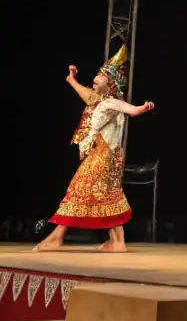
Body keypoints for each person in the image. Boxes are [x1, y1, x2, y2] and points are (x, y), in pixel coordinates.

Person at [35, 46, 154, 253]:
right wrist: (71, 80)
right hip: (106, 153)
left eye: (101, 76)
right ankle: (118, 242)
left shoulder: (113, 102)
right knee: (109, 193)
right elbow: (89, 97)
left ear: (111, 83)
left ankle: (57, 237)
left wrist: (143, 108)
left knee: (77, 189)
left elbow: (132, 110)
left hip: (104, 154)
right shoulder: (100, 102)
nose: (96, 78)